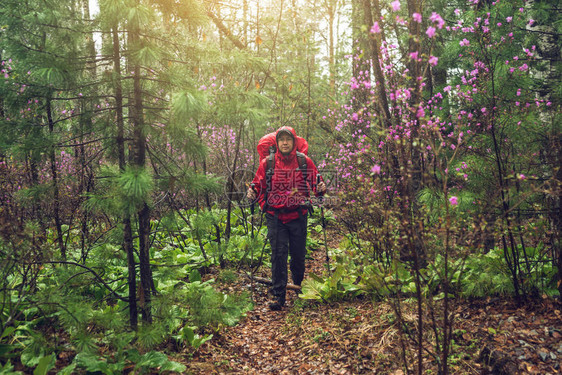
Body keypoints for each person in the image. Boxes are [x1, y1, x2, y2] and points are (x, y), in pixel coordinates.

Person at [247, 126, 326, 310]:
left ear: (294, 142)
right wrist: (253, 191)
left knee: (298, 255)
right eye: (281, 139)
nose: (284, 142)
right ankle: (278, 296)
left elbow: (316, 181)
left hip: (298, 215)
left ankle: (299, 287)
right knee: (278, 256)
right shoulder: (268, 162)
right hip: (275, 217)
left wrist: (321, 188)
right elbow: (258, 183)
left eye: (288, 139)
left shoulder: (303, 161)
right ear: (276, 142)